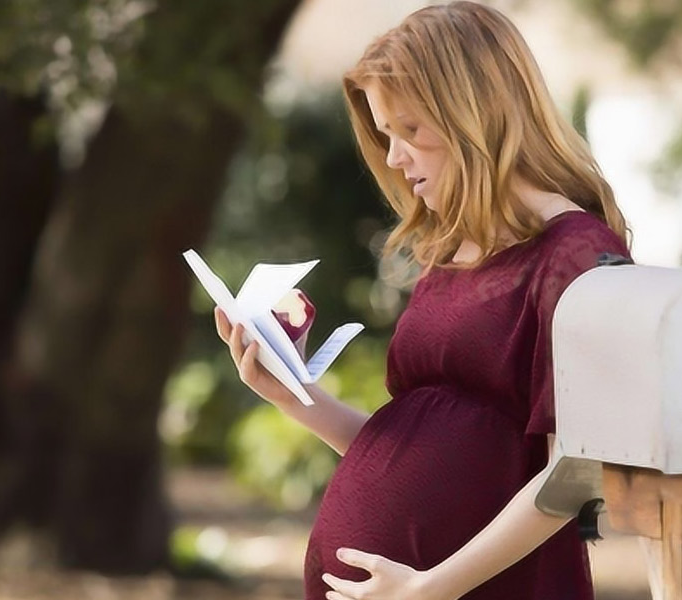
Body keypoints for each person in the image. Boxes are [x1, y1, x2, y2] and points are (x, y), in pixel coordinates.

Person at [214, 2, 631, 599]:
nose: (393, 158)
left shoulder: (577, 253)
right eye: (386, 135)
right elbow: (425, 450)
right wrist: (295, 395)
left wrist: (431, 588)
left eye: (410, 130)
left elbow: (573, 472)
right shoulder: (453, 251)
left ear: (478, 112)